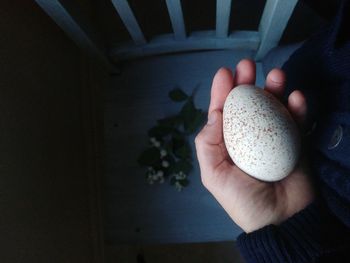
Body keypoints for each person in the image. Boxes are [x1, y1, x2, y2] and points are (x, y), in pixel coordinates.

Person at [195, 0, 350, 262]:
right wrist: (289, 228)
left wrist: (285, 225)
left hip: (323, 198)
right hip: (322, 70)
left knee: (276, 67)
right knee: (276, 64)